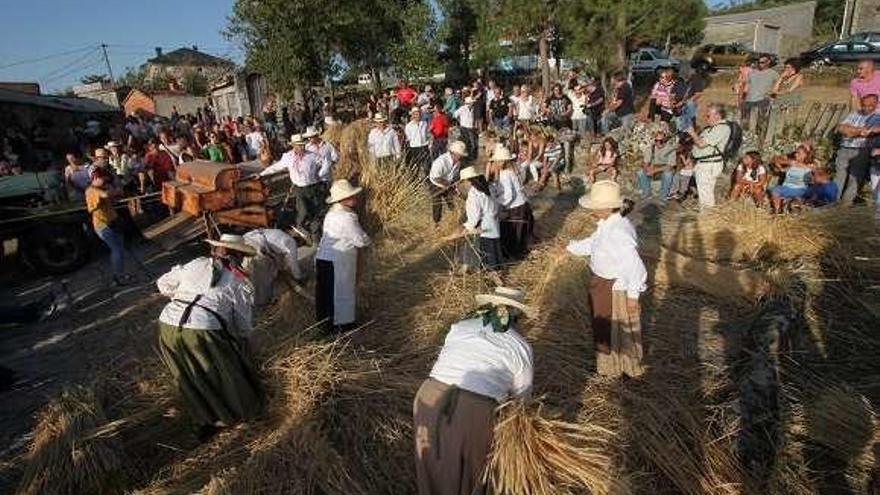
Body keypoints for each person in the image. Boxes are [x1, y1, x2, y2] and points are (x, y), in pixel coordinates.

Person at [414, 287, 534, 495]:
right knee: (472, 473)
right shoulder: (520, 346)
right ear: (516, 316)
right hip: (473, 409)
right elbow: (522, 400)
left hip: (429, 395)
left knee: (432, 464)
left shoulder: (460, 326)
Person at [156, 233, 263, 438]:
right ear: (239, 256)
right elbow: (242, 326)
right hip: (203, 329)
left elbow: (163, 283)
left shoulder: (195, 263)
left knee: (188, 374)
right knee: (226, 373)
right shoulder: (240, 283)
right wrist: (246, 348)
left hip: (167, 323)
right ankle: (239, 416)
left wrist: (182, 298)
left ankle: (204, 419)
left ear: (215, 250)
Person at [566, 180, 646, 378]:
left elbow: (634, 265)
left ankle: (625, 369)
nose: (592, 209)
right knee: (604, 327)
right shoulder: (607, 224)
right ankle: (609, 368)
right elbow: (593, 244)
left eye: (596, 206)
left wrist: (633, 296)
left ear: (608, 207)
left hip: (616, 289)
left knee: (616, 328)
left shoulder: (620, 231)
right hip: (602, 285)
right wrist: (569, 247)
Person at [315, 179, 371, 333]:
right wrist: (369, 240)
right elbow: (359, 239)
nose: (355, 198)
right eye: (351, 196)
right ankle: (342, 326)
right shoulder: (346, 217)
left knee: (325, 294)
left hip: (324, 258)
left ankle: (325, 326)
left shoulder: (332, 213)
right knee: (341, 292)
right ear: (343, 199)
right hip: (337, 261)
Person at [259, 134, 324, 236]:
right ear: (293, 146)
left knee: (315, 211)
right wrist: (261, 174)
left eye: (302, 145)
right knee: (302, 210)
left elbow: (324, 164)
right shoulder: (288, 157)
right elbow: (276, 167)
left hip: (313, 187)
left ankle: (315, 232)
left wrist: (321, 175)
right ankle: (300, 225)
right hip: (299, 189)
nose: (301, 147)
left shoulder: (313, 156)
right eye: (298, 145)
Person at [447, 166, 502, 271]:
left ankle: (469, 268)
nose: (461, 185)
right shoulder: (486, 187)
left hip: (484, 229)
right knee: (493, 256)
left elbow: (474, 218)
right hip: (494, 225)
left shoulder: (473, 194)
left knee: (488, 261)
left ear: (467, 181)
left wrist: (463, 228)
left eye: (462, 182)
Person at [86, 167, 129, 286]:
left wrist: (116, 193)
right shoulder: (91, 190)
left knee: (120, 249)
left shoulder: (102, 188)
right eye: (103, 180)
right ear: (95, 178)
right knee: (116, 250)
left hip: (114, 221)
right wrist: (116, 190)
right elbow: (105, 195)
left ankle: (120, 273)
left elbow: (112, 199)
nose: (106, 182)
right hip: (104, 226)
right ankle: (118, 278)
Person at [489, 145, 533, 260]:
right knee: (515, 231)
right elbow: (502, 189)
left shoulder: (505, 174)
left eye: (496, 161)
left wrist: (498, 204)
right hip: (521, 205)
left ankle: (514, 255)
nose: (494, 164)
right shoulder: (511, 171)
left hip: (516, 207)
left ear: (502, 162)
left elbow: (509, 196)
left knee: (512, 232)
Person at [835, 94, 880, 205]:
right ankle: (833, 200)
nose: (864, 108)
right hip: (845, 147)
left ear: (875, 104)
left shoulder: (878, 116)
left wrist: (851, 130)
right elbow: (840, 127)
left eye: (868, 106)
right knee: (839, 176)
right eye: (863, 105)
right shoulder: (855, 113)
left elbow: (872, 131)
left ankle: (846, 203)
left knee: (855, 177)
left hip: (861, 149)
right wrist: (859, 131)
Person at [242, 228, 304, 307]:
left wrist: (281, 268)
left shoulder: (280, 235)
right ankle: (263, 302)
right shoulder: (291, 242)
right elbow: (293, 262)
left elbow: (279, 257)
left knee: (256, 275)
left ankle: (257, 299)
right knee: (263, 277)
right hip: (255, 245)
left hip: (247, 239)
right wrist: (299, 277)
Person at [687, 104, 731, 209]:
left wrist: (692, 133)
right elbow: (699, 146)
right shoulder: (711, 128)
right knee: (704, 192)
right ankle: (707, 216)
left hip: (709, 165)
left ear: (717, 115)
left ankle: (707, 218)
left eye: (708, 116)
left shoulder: (722, 128)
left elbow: (701, 144)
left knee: (705, 194)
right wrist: (692, 158)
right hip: (704, 164)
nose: (706, 118)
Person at [428, 140, 468, 225]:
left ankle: (455, 219)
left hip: (448, 183)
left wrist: (455, 185)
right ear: (453, 153)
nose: (461, 157)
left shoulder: (458, 162)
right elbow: (436, 177)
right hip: (436, 184)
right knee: (437, 205)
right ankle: (436, 223)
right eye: (459, 155)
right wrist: (449, 185)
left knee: (451, 202)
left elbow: (455, 175)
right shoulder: (441, 161)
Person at [769, 144, 816, 213]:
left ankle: (793, 206)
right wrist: (781, 168)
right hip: (786, 187)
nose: (796, 155)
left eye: (799, 153)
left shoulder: (811, 166)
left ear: (805, 155)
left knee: (799, 198)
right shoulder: (792, 162)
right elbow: (775, 159)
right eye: (796, 153)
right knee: (775, 191)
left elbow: (816, 178)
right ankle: (777, 211)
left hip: (800, 189)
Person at [635, 126, 676, 200]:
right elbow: (645, 162)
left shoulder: (671, 149)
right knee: (640, 172)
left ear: (665, 140)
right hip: (653, 169)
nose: (658, 143)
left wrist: (654, 170)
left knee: (668, 174)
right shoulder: (651, 148)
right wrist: (647, 169)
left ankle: (663, 197)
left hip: (663, 170)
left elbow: (669, 166)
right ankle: (646, 192)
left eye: (661, 141)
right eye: (656, 140)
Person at [742, 54, 779, 132]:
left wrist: (773, 97)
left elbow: (777, 87)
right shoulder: (752, 73)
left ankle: (759, 133)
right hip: (750, 99)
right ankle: (746, 134)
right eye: (758, 62)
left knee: (761, 119)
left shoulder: (774, 74)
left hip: (763, 99)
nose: (759, 64)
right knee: (745, 120)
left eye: (762, 62)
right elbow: (747, 86)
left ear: (768, 62)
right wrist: (743, 97)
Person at [304, 126, 339, 197]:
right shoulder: (306, 148)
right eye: (309, 137)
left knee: (331, 194)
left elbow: (335, 157)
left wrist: (329, 164)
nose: (310, 139)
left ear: (316, 136)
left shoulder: (327, 145)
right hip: (314, 178)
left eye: (312, 137)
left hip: (327, 176)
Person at [405, 107, 431, 175]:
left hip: (424, 146)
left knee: (427, 165)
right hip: (415, 147)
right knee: (417, 165)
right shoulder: (408, 126)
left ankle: (427, 178)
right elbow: (409, 137)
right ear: (413, 115)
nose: (418, 115)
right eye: (416, 114)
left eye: (419, 114)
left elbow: (427, 134)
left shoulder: (424, 123)